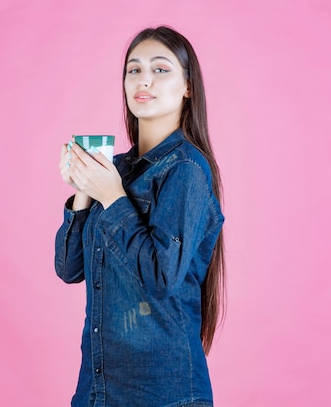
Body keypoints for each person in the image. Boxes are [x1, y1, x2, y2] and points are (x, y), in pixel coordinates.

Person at [55, 26, 226, 407]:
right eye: (134, 70)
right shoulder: (115, 169)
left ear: (188, 87)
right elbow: (68, 268)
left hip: (162, 392)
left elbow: (161, 277)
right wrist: (84, 188)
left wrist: (113, 196)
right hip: (98, 390)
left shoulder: (187, 170)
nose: (143, 80)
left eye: (160, 69)